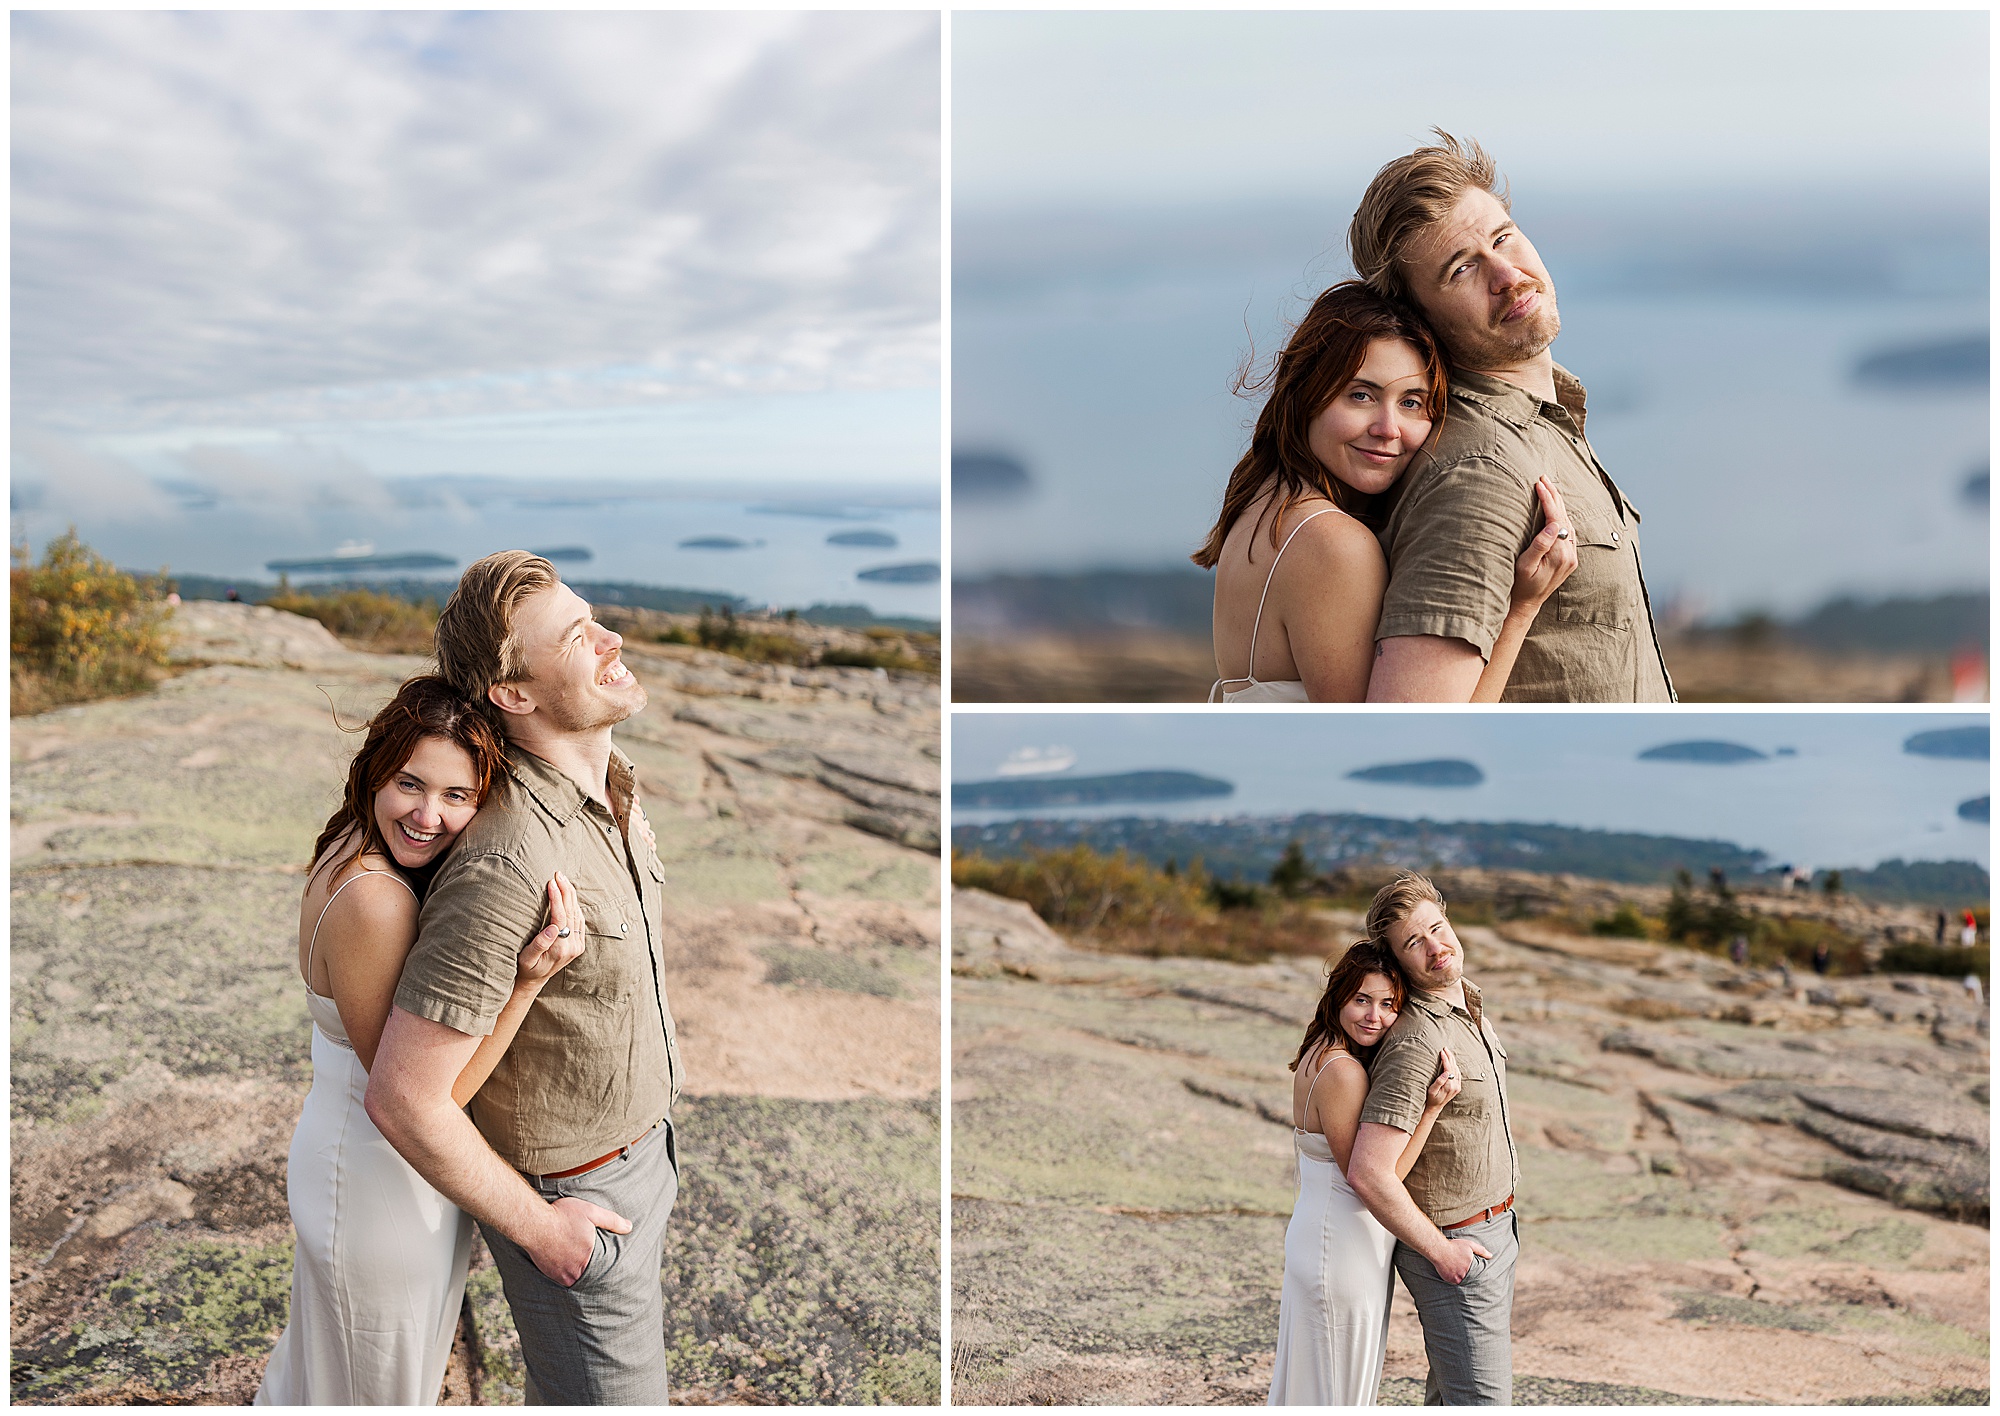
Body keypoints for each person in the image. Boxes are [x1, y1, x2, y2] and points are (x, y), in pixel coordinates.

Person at [365, 551, 683, 1405]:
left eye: (594, 617)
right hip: (580, 1203)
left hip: (644, 1158)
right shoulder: (511, 857)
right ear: (514, 693)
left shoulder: (611, 788)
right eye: (580, 637)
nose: (613, 638)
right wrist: (545, 1231)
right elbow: (403, 1096)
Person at [255, 675, 583, 1405]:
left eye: (457, 796)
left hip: (360, 1162)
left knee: (324, 1381)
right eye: (410, 783)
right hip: (377, 1185)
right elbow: (429, 1098)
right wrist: (527, 983)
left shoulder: (353, 840)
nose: (428, 815)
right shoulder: (374, 900)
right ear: (378, 771)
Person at [1348, 131, 1676, 702]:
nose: (1506, 275)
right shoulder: (1480, 472)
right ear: (1418, 319)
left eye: (1504, 238)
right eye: (1461, 270)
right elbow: (1409, 735)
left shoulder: (1544, 423)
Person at [1195, 281, 1578, 701]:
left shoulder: (1264, 505)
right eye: (1361, 396)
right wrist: (1522, 606)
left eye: (1411, 402)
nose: (1388, 428)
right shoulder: (1333, 543)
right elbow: (1387, 746)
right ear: (1307, 395)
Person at [1347, 874, 1520, 1406]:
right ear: (1397, 962)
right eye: (1413, 943)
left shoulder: (1466, 1005)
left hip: (1496, 1231)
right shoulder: (1418, 1040)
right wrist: (1443, 1253)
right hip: (1455, 1248)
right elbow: (1369, 1172)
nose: (1435, 947)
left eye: (1437, 928)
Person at [1270, 943, 1460, 1406]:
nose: (1374, 1015)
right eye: (1362, 999)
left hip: (1326, 1237)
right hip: (1341, 1249)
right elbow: (1377, 1175)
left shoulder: (1322, 1050)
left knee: (1317, 1390)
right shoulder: (1342, 1071)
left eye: (1388, 1004)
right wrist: (1432, 1108)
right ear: (1338, 998)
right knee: (1340, 1395)